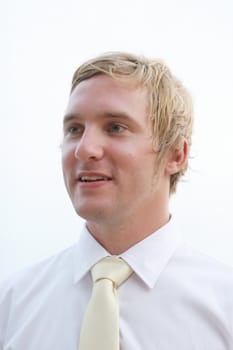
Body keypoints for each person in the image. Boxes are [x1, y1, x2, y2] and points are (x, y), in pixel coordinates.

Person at [0, 52, 233, 350]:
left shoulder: (225, 308)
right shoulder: (11, 307)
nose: (84, 149)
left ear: (176, 154)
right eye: (74, 129)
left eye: (115, 127)